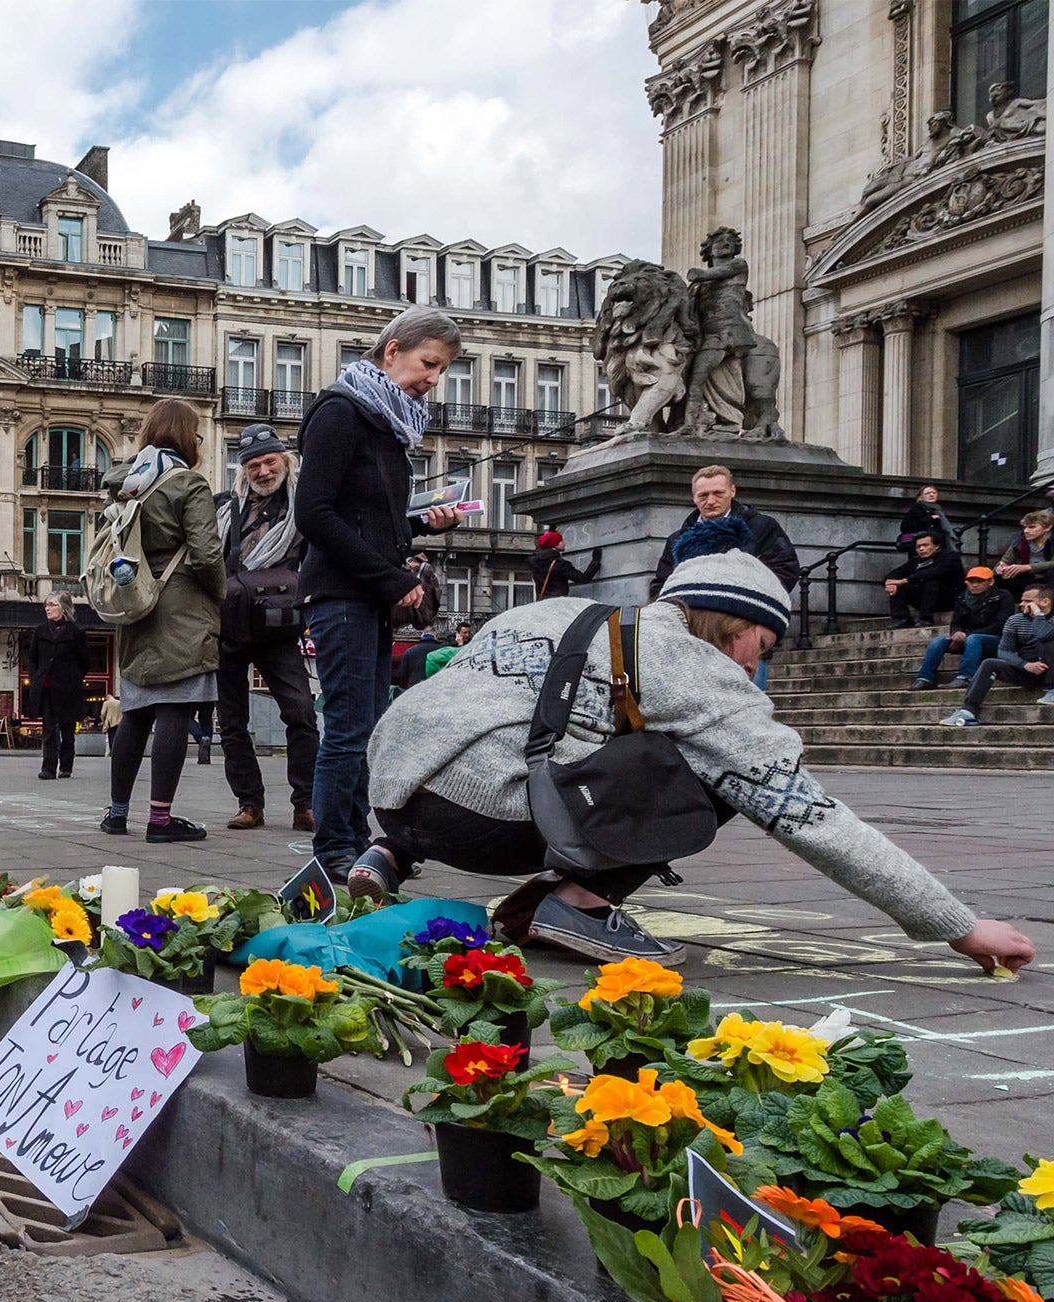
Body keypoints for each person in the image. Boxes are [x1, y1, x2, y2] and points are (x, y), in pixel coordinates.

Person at [355, 551, 1034, 976]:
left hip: (391, 792)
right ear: (729, 622)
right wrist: (958, 925)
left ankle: (388, 860)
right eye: (758, 643)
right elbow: (808, 815)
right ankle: (581, 905)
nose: (753, 663)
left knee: (564, 736)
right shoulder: (692, 666)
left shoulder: (562, 609)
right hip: (482, 817)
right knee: (733, 776)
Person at [296, 306, 467, 880]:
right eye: (428, 364)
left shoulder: (388, 426)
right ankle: (333, 848)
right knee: (347, 726)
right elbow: (314, 514)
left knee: (367, 726)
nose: (433, 379)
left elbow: (366, 516)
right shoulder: (341, 413)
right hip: (339, 593)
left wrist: (422, 526)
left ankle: (354, 839)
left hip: (365, 595)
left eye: (442, 369)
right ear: (391, 350)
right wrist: (394, 577)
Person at [98, 397, 226, 843]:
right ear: (185, 434)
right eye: (196, 433)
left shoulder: (124, 482)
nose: (198, 441)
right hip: (182, 608)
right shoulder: (188, 484)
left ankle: (116, 814)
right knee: (175, 709)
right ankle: (159, 820)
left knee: (134, 712)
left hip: (135, 603)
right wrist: (220, 593)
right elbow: (208, 554)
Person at [210, 422, 318, 833]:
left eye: (270, 461)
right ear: (243, 469)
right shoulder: (226, 507)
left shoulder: (304, 508)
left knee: (302, 713)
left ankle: (305, 803)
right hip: (229, 627)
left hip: (279, 628)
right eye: (253, 464)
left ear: (284, 461)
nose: (262, 471)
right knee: (232, 722)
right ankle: (249, 803)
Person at [649, 465, 801, 596]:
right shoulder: (676, 539)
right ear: (694, 498)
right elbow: (661, 586)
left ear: (732, 491)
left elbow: (785, 570)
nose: (710, 501)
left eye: (718, 493)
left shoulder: (762, 527)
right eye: (703, 495)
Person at [944, 584, 1054, 726]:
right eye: (1022, 600)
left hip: (1050, 668)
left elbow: (1043, 633)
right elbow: (1003, 651)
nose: (1022, 604)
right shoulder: (1015, 620)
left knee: (1046, 642)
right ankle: (968, 711)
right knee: (989, 663)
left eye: (1028, 601)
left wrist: (1038, 615)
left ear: (1045, 601)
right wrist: (1025, 665)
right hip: (1029, 670)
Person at [912, 567, 1012, 690]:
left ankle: (965, 677)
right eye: (971, 581)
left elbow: (1001, 624)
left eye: (980, 581)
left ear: (990, 582)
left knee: (974, 639)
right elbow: (956, 622)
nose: (975, 585)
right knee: (938, 641)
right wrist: (956, 633)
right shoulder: (962, 598)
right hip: (968, 638)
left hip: (995, 639)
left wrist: (966, 636)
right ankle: (924, 678)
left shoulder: (1003, 596)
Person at [29, 590, 91, 780]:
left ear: (64, 607)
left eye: (52, 604)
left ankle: (66, 767)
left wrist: (73, 677)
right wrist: (36, 677)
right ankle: (48, 768)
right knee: (48, 729)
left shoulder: (76, 632)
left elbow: (85, 661)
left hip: (68, 688)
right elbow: (33, 659)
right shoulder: (40, 631)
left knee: (67, 730)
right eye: (46, 605)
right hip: (47, 687)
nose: (47, 608)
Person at [884, 532, 965, 628]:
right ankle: (902, 618)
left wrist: (905, 580)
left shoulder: (951, 557)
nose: (921, 549)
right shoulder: (915, 561)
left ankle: (926, 619)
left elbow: (935, 572)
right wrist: (889, 583)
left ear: (937, 546)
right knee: (897, 586)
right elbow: (894, 573)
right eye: (918, 547)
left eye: (925, 545)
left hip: (948, 598)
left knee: (931, 581)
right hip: (922, 600)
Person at [995, 507, 1054, 598]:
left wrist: (1027, 567)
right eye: (1025, 527)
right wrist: (1001, 569)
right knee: (999, 579)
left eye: (1032, 527)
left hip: (1048, 578)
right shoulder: (1019, 542)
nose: (1026, 531)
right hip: (1028, 579)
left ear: (1048, 527)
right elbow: (1004, 562)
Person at [529, 528, 601, 602]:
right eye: (561, 541)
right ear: (556, 545)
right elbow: (583, 579)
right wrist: (595, 561)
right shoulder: (561, 565)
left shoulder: (534, 562)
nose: (564, 543)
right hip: (558, 603)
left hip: (542, 602)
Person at [896, 484, 954, 552]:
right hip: (922, 548)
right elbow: (906, 527)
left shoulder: (937, 510)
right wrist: (930, 519)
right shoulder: (917, 508)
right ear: (920, 497)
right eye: (927, 493)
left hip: (937, 547)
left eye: (934, 493)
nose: (932, 495)